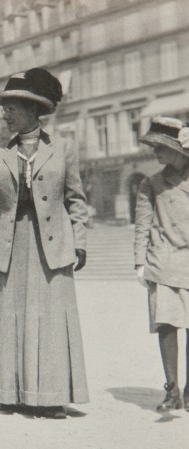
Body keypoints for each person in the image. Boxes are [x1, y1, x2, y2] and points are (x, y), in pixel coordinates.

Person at [0, 68, 89, 419]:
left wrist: (80, 242)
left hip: (52, 246)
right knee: (11, 317)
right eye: (5, 108)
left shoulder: (63, 149)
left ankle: (52, 398)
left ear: (32, 109)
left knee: (51, 318)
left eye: (11, 107)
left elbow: (76, 199)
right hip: (9, 245)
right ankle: (11, 394)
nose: (5, 114)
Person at [134, 116, 189, 412]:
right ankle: (172, 390)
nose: (154, 152)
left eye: (160, 146)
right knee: (166, 324)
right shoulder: (151, 183)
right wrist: (139, 263)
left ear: (177, 149)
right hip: (164, 261)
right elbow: (142, 225)